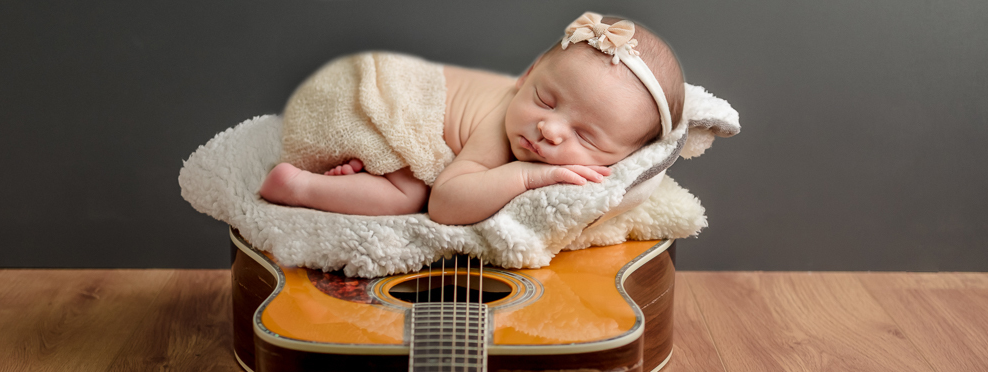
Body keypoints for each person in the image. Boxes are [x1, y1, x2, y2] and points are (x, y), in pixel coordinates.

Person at [259, 13, 684, 225]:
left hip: (352, 87)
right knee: (410, 194)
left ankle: (365, 163)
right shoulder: (503, 129)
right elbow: (446, 204)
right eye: (546, 100)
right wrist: (526, 177)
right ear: (529, 74)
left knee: (413, 172)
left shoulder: (542, 123)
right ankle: (298, 186)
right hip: (362, 95)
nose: (549, 129)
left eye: (585, 136)